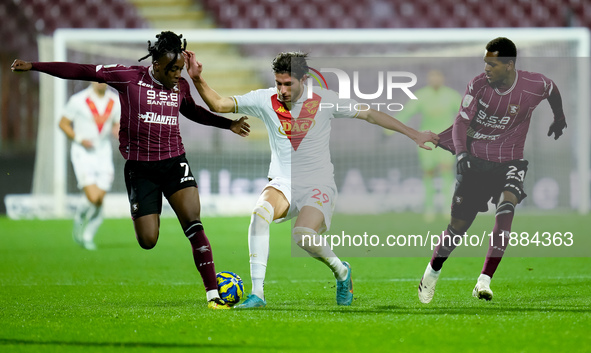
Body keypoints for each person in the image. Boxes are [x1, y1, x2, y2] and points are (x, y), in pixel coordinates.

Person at [11, 31, 251, 310]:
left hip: (174, 162)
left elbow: (193, 111)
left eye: (180, 69)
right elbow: (82, 70)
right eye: (172, 69)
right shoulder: (128, 77)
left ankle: (213, 294)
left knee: (194, 223)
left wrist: (228, 124)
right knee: (148, 240)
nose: (177, 74)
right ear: (157, 64)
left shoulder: (181, 85)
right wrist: (35, 66)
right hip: (141, 169)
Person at [184, 50, 439, 309]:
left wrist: (414, 134)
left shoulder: (324, 101)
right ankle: (258, 294)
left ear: (304, 80)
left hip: (318, 183)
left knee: (303, 235)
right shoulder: (264, 99)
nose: (282, 90)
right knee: (259, 213)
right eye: (278, 83)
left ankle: (342, 272)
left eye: (288, 84)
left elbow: (371, 114)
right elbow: (219, 104)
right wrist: (196, 79)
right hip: (283, 182)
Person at [417, 37, 567, 303]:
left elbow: (552, 89)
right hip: (475, 160)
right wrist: (462, 153)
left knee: (507, 206)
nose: (487, 68)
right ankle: (432, 271)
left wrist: (559, 117)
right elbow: (460, 123)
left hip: (510, 161)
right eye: (486, 62)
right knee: (458, 228)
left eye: (493, 64)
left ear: (509, 65)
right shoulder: (478, 85)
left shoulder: (533, 84)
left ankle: (484, 280)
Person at [387, 69, 462, 221]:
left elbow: (466, 113)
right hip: (426, 139)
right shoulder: (421, 96)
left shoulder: (451, 95)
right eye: (432, 77)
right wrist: (388, 130)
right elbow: (406, 112)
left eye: (437, 76)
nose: (434, 80)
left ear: (443, 79)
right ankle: (429, 208)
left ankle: (448, 207)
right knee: (428, 173)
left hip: (446, 140)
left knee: (446, 171)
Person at [58, 81, 121, 250]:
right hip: (82, 153)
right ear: (91, 80)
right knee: (93, 197)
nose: (100, 82)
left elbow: (116, 123)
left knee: (99, 199)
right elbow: (63, 123)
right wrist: (79, 139)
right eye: (97, 78)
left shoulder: (115, 101)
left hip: (103, 152)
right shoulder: (78, 100)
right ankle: (80, 219)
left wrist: (118, 131)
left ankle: (88, 236)